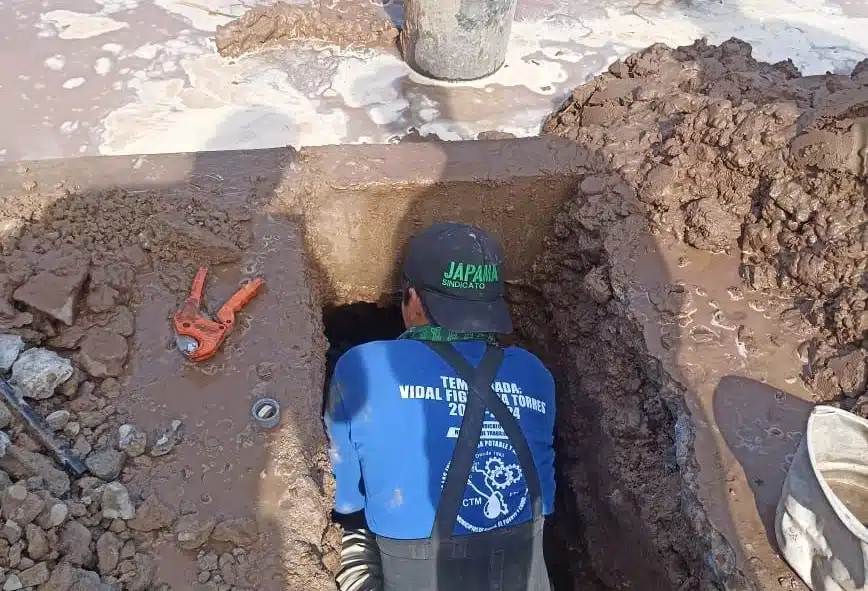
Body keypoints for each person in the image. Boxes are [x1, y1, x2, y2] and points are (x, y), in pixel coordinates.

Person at [325, 222, 556, 591]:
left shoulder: (363, 365)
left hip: (414, 565)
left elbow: (345, 500)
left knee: (351, 537)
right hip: (523, 562)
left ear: (414, 300)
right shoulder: (535, 373)